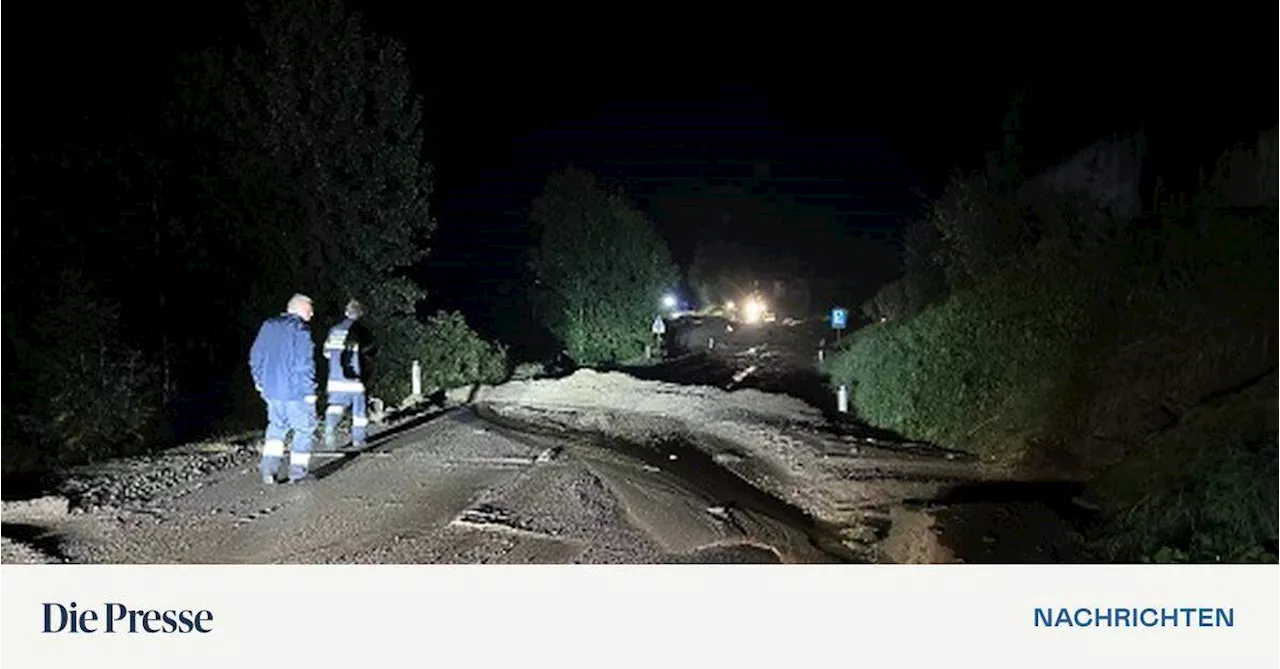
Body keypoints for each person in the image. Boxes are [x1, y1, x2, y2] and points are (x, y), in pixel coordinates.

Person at [249, 293, 318, 484]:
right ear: (297, 308)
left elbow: (256, 356)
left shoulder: (268, 326)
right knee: (304, 430)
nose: (312, 313)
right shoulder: (300, 330)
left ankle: (268, 470)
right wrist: (309, 392)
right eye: (309, 309)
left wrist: (259, 382)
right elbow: (304, 364)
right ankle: (298, 473)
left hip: (272, 392)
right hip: (295, 393)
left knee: (276, 430)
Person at [323, 299, 370, 450]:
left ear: (346, 312)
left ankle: (329, 430)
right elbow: (369, 353)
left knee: (335, 407)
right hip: (354, 379)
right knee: (359, 412)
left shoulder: (334, 331)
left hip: (336, 379)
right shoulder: (361, 331)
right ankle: (358, 440)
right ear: (360, 313)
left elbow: (326, 354)